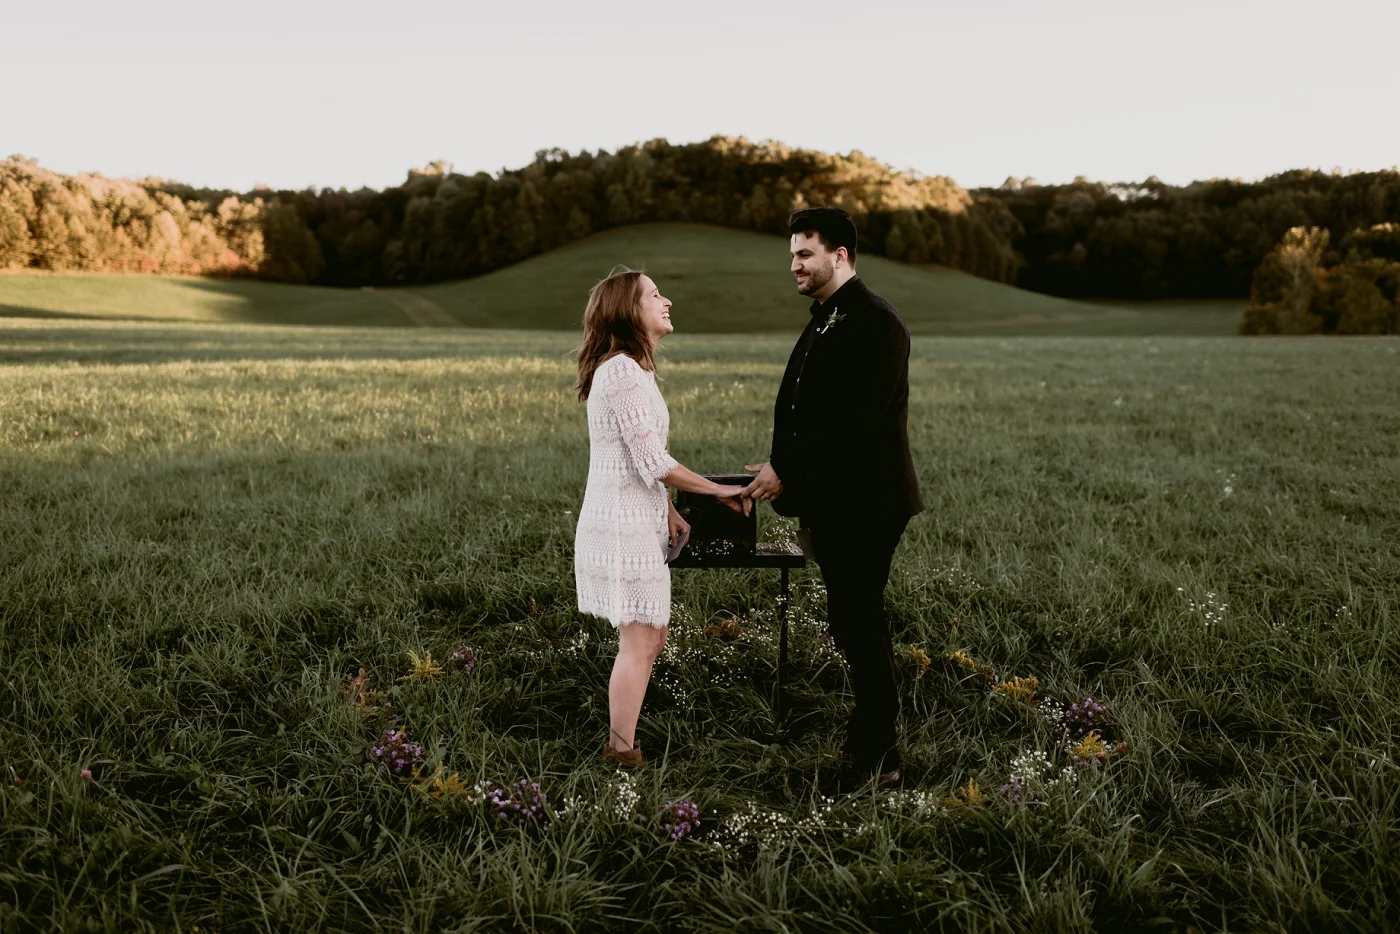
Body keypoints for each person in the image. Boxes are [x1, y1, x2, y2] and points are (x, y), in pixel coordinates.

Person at [743, 208, 923, 791]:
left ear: (839, 255)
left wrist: (786, 472)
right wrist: (780, 465)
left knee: (859, 622)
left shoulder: (875, 322)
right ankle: (873, 745)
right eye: (792, 254)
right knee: (851, 622)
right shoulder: (830, 317)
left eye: (804, 254)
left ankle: (879, 760)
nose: (793, 264)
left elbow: (854, 423)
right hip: (838, 499)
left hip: (868, 502)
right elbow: (805, 405)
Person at [574, 266, 751, 767]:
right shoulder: (623, 372)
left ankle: (620, 746)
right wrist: (719, 491)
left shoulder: (634, 370)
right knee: (643, 636)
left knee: (649, 635)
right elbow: (653, 461)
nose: (666, 300)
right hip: (622, 525)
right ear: (631, 311)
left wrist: (669, 508)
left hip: (636, 517)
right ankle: (621, 755)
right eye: (655, 295)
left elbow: (638, 457)